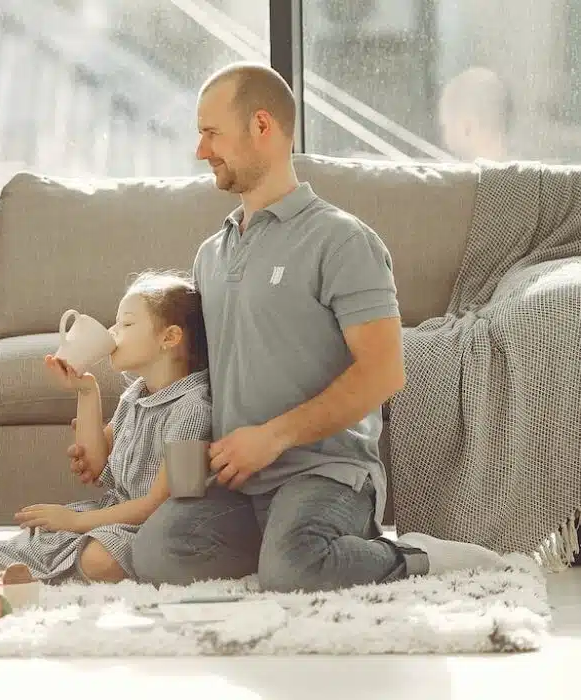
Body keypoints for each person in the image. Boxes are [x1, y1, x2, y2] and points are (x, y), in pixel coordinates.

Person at [100, 62, 508, 592]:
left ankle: (414, 556)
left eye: (212, 133)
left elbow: (384, 373)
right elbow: (194, 378)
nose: (201, 150)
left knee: (293, 569)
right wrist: (107, 423)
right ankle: (291, 549)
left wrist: (272, 438)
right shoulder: (210, 255)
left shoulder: (342, 241)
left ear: (261, 126)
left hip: (326, 472)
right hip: (238, 480)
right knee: (156, 553)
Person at [0, 271, 213, 583]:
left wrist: (76, 521)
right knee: (50, 531)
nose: (113, 332)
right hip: (118, 511)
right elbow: (97, 466)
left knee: (99, 557)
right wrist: (87, 391)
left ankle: (40, 571)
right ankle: (9, 568)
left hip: (157, 525)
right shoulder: (136, 395)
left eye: (126, 324)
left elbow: (163, 504)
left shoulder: (192, 409)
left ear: (169, 338)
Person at [438, 66, 512, 162]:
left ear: (467, 128)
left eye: (446, 126)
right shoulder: (526, 169)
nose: (446, 140)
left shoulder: (460, 172)